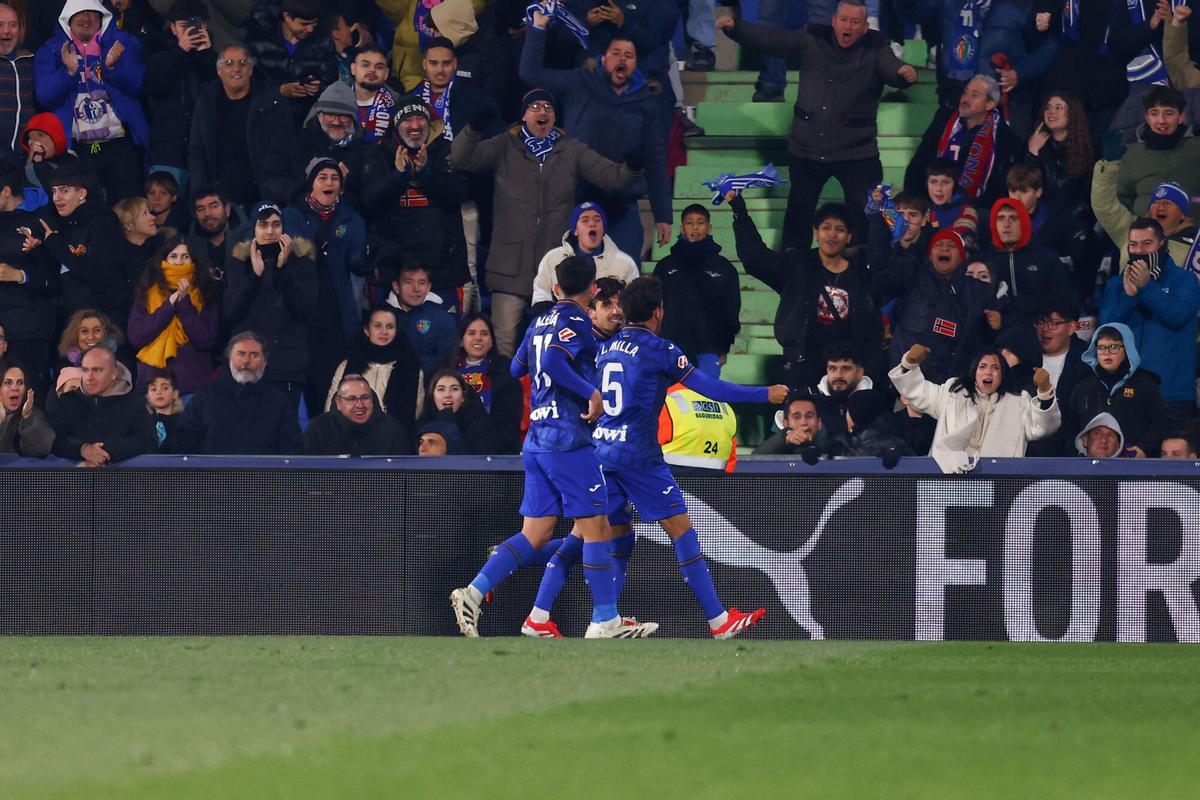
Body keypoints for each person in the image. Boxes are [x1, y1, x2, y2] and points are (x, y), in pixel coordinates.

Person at [450, 256, 658, 639]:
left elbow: (517, 369)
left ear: (556, 287)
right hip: (567, 439)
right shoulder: (576, 319)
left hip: (536, 441)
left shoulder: (538, 321)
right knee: (598, 526)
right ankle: (606, 620)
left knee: (537, 533)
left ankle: (474, 592)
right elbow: (555, 363)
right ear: (592, 289)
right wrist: (590, 391)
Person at [589, 276, 787, 637]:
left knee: (611, 535)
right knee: (684, 534)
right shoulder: (660, 349)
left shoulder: (608, 346)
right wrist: (764, 394)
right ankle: (718, 620)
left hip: (602, 451)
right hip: (639, 456)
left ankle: (603, 618)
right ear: (658, 311)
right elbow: (709, 387)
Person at [450, 87, 640, 356]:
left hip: (557, 271)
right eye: (535, 107)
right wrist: (472, 130)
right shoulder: (504, 145)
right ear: (523, 116)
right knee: (504, 346)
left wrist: (633, 166)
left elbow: (611, 176)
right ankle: (508, 398)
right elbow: (461, 159)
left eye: (548, 107)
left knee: (558, 346)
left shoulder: (571, 150)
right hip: (509, 269)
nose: (542, 112)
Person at [719, 0, 918, 246]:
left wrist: (904, 74)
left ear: (865, 27)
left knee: (869, 216)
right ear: (834, 21)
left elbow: (891, 68)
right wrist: (736, 28)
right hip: (808, 149)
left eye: (855, 22)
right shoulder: (812, 37)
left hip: (856, 153)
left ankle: (866, 272)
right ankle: (794, 272)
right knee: (797, 218)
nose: (848, 26)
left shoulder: (876, 46)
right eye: (843, 20)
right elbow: (772, 40)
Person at [521, 13, 672, 257]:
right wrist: (538, 28)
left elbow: (654, 162)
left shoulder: (647, 103)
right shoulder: (580, 82)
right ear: (603, 58)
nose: (620, 59)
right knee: (576, 277)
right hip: (578, 197)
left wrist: (663, 215)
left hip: (622, 205)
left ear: (635, 64)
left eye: (628, 55)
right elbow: (531, 75)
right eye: (615, 53)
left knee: (625, 278)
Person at [734, 192, 882, 389]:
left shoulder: (861, 276)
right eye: (825, 228)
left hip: (844, 371)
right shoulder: (797, 265)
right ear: (815, 232)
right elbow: (756, 259)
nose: (831, 234)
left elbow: (871, 330)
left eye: (839, 229)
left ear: (849, 237)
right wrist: (740, 212)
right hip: (802, 367)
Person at [34, 0, 149, 204]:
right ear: (68, 18)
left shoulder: (121, 43)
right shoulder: (51, 50)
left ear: (101, 16)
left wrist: (113, 68)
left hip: (120, 147)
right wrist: (69, 73)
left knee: (128, 211)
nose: (85, 18)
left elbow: (138, 85)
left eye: (91, 12)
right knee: (87, 213)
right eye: (79, 13)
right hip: (77, 152)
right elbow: (44, 95)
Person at [361, 99, 469, 309]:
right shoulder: (379, 154)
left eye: (420, 118)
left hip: (443, 270)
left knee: (445, 337)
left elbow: (458, 193)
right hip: (393, 269)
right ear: (396, 124)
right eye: (407, 119)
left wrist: (427, 173)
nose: (415, 125)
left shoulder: (447, 151)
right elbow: (370, 201)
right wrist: (398, 177)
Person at [281, 156, 367, 419]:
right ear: (311, 184)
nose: (329, 183)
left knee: (332, 392)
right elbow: (299, 254)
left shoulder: (351, 218)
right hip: (301, 321)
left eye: (334, 178)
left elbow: (356, 262)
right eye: (322, 178)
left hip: (337, 321)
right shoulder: (292, 216)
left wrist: (368, 259)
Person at [890, 343, 1061, 473]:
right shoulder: (952, 394)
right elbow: (918, 392)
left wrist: (1045, 393)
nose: (988, 373)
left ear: (1002, 375)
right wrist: (909, 364)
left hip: (999, 483)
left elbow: (1043, 428)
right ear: (974, 372)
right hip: (950, 479)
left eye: (995, 368)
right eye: (983, 367)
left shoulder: (1018, 403)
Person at [869, 226, 995, 386]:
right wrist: (877, 223)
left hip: (958, 387)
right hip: (912, 384)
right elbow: (881, 270)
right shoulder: (912, 280)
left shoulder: (977, 290)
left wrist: (998, 322)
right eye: (939, 245)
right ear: (929, 255)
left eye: (951, 246)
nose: (944, 248)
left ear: (962, 257)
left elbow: (990, 331)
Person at [222, 201, 317, 411]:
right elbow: (230, 313)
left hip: (287, 367)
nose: (270, 231)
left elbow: (305, 310)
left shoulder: (301, 260)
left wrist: (284, 271)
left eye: (276, 224)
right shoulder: (239, 261)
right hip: (247, 366)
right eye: (263, 225)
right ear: (253, 229)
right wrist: (254, 277)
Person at [1100, 218, 1200, 414]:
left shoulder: (1185, 279)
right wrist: (1129, 298)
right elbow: (1106, 332)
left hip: (1172, 395)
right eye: (1133, 244)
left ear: (1162, 243)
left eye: (1147, 244)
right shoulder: (1116, 285)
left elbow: (1178, 316)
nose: (1139, 251)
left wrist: (1146, 288)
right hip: (1126, 393)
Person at [171, 330, 304, 455]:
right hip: (213, 477)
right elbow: (183, 443)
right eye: (241, 354)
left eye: (254, 355)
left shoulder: (279, 401)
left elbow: (293, 449)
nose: (246, 361)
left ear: (265, 363)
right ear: (229, 360)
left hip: (264, 478)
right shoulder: (205, 397)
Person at [905, 75, 1023, 210]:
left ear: (989, 104)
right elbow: (919, 162)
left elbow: (1001, 186)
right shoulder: (944, 120)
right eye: (965, 92)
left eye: (975, 95)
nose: (965, 99)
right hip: (933, 205)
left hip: (979, 209)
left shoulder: (1004, 137)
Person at [652, 203, 740, 378]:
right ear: (682, 228)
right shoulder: (665, 266)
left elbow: (731, 309)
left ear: (709, 228)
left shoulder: (724, 268)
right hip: (671, 347)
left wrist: (724, 347)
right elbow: (654, 307)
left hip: (708, 348)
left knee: (704, 400)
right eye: (689, 222)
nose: (695, 227)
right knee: (670, 400)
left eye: (700, 222)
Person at [35, 165, 128, 327]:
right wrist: (38, 249)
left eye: (64, 191)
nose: (56, 198)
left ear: (82, 194)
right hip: (72, 321)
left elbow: (96, 271)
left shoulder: (101, 223)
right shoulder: (65, 226)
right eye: (54, 191)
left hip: (103, 320)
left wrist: (55, 244)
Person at [126, 236, 220, 395]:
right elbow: (137, 336)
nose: (179, 262)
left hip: (192, 387)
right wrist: (169, 305)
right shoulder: (148, 291)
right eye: (173, 256)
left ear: (193, 261)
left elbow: (205, 339)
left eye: (185, 257)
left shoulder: (205, 292)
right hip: (152, 388)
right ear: (164, 260)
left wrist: (183, 303)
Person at [1067, 323, 1171, 458]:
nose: (1107, 353)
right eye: (1102, 347)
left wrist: (1144, 447)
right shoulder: (1083, 386)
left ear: (1127, 350)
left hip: (1132, 463)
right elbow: (1070, 427)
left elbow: (1163, 422)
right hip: (1090, 464)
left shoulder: (1144, 384)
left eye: (1114, 347)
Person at [143, 0, 216, 189]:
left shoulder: (215, 60)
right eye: (183, 26)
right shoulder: (161, 57)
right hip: (168, 150)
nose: (189, 31)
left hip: (204, 150)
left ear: (204, 26)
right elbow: (155, 88)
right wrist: (181, 52)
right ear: (173, 28)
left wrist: (206, 55)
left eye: (194, 25)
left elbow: (220, 93)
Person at [260, 81, 370, 207]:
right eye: (330, 114)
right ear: (319, 115)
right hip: (297, 218)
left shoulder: (365, 152)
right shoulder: (292, 141)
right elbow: (269, 184)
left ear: (353, 119)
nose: (336, 122)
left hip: (345, 223)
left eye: (344, 116)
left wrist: (342, 188)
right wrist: (308, 192)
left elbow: (369, 202)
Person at [0, 168, 56, 400]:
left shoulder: (38, 221)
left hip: (29, 331)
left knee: (32, 400)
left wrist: (19, 275)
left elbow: (52, 280)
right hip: (4, 329)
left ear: (6, 191)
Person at [49, 345, 156, 466]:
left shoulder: (135, 403)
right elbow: (55, 440)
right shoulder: (65, 402)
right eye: (85, 370)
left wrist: (102, 453)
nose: (89, 378)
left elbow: (147, 442)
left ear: (114, 374)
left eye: (97, 370)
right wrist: (82, 449)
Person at [982, 197, 1073, 331]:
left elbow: (1064, 299)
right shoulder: (984, 260)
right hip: (996, 335)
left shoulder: (1046, 257)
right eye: (1000, 218)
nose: (1006, 224)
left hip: (1041, 331)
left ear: (1024, 222)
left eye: (1013, 218)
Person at [531, 201, 640, 314]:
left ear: (603, 229)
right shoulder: (552, 258)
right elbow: (541, 297)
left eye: (597, 220)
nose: (592, 224)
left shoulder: (625, 263)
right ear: (575, 230)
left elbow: (632, 304)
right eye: (585, 220)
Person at [187, 43, 261, 207]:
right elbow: (196, 152)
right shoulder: (206, 103)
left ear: (250, 69)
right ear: (219, 70)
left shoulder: (267, 103)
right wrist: (199, 194)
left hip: (259, 195)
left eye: (242, 63)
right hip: (218, 196)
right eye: (229, 64)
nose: (236, 69)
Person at [325, 305, 423, 425]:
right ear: (367, 330)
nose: (384, 332)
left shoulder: (410, 366)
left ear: (396, 331)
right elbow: (332, 406)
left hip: (393, 437)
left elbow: (416, 409)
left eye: (390, 327)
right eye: (378, 326)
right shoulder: (347, 365)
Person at [244, 0, 337, 124]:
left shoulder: (323, 43)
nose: (310, 29)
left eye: (314, 24)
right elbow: (249, 83)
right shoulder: (261, 41)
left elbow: (331, 81)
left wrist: (317, 88)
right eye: (304, 24)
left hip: (306, 121)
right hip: (265, 117)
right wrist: (280, 91)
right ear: (287, 17)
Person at [1092, 170, 1197, 275]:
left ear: (1182, 214)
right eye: (1155, 202)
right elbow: (1104, 206)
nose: (1160, 207)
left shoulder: (1196, 242)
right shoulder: (1131, 229)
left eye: (1168, 203)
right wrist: (1108, 167)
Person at [1116, 86, 1200, 216]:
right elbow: (1123, 198)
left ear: (1181, 117)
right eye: (1154, 113)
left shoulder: (1196, 149)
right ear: (1147, 117)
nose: (1161, 121)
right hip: (1147, 230)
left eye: (1169, 113)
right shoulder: (1133, 156)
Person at [446, 312, 524, 434]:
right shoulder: (447, 371)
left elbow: (509, 420)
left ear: (492, 342)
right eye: (471, 333)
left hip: (492, 439)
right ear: (461, 341)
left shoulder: (506, 370)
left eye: (484, 334)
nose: (478, 338)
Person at [304, 373, 412, 456]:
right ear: (338, 403)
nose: (360, 405)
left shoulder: (393, 429)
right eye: (351, 399)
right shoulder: (318, 428)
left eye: (365, 398)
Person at [419, 368, 520, 455]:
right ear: (433, 396)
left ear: (463, 396)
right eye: (441, 389)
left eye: (454, 389)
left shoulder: (480, 426)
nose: (447, 395)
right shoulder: (422, 425)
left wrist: (449, 426)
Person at [388, 262, 458, 376]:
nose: (416, 289)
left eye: (422, 283)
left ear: (429, 286)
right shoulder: (381, 317)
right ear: (396, 286)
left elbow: (445, 364)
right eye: (408, 282)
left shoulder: (443, 320)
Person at [815, 343, 874, 440]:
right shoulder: (814, 402)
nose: (838, 375)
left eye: (846, 368)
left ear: (860, 373)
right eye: (832, 368)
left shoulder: (875, 403)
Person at [753, 390, 836, 458]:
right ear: (785, 423)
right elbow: (754, 461)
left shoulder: (833, 446)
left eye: (809, 416)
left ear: (819, 423)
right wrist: (784, 439)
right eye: (796, 417)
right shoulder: (776, 447)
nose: (803, 422)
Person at [840, 387, 912, 461]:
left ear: (856, 415)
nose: (845, 415)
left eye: (847, 411)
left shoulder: (866, 452)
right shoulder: (896, 440)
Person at [349, 42, 400, 144]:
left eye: (379, 67)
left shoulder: (397, 103)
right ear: (353, 69)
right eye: (365, 65)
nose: (372, 70)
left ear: (386, 74)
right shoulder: (333, 98)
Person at [0, 3, 34, 157]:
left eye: (12, 25)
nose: (6, 31)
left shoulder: (31, 61)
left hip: (24, 157)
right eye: (0, 25)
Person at [0, 362, 54, 457]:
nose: (14, 388)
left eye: (20, 383)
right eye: (8, 382)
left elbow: (43, 449)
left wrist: (28, 418)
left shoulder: (32, 415)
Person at [145, 367, 182, 451]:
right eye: (153, 389)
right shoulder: (143, 422)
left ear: (175, 394)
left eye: (165, 388)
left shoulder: (184, 421)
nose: (159, 392)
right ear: (148, 397)